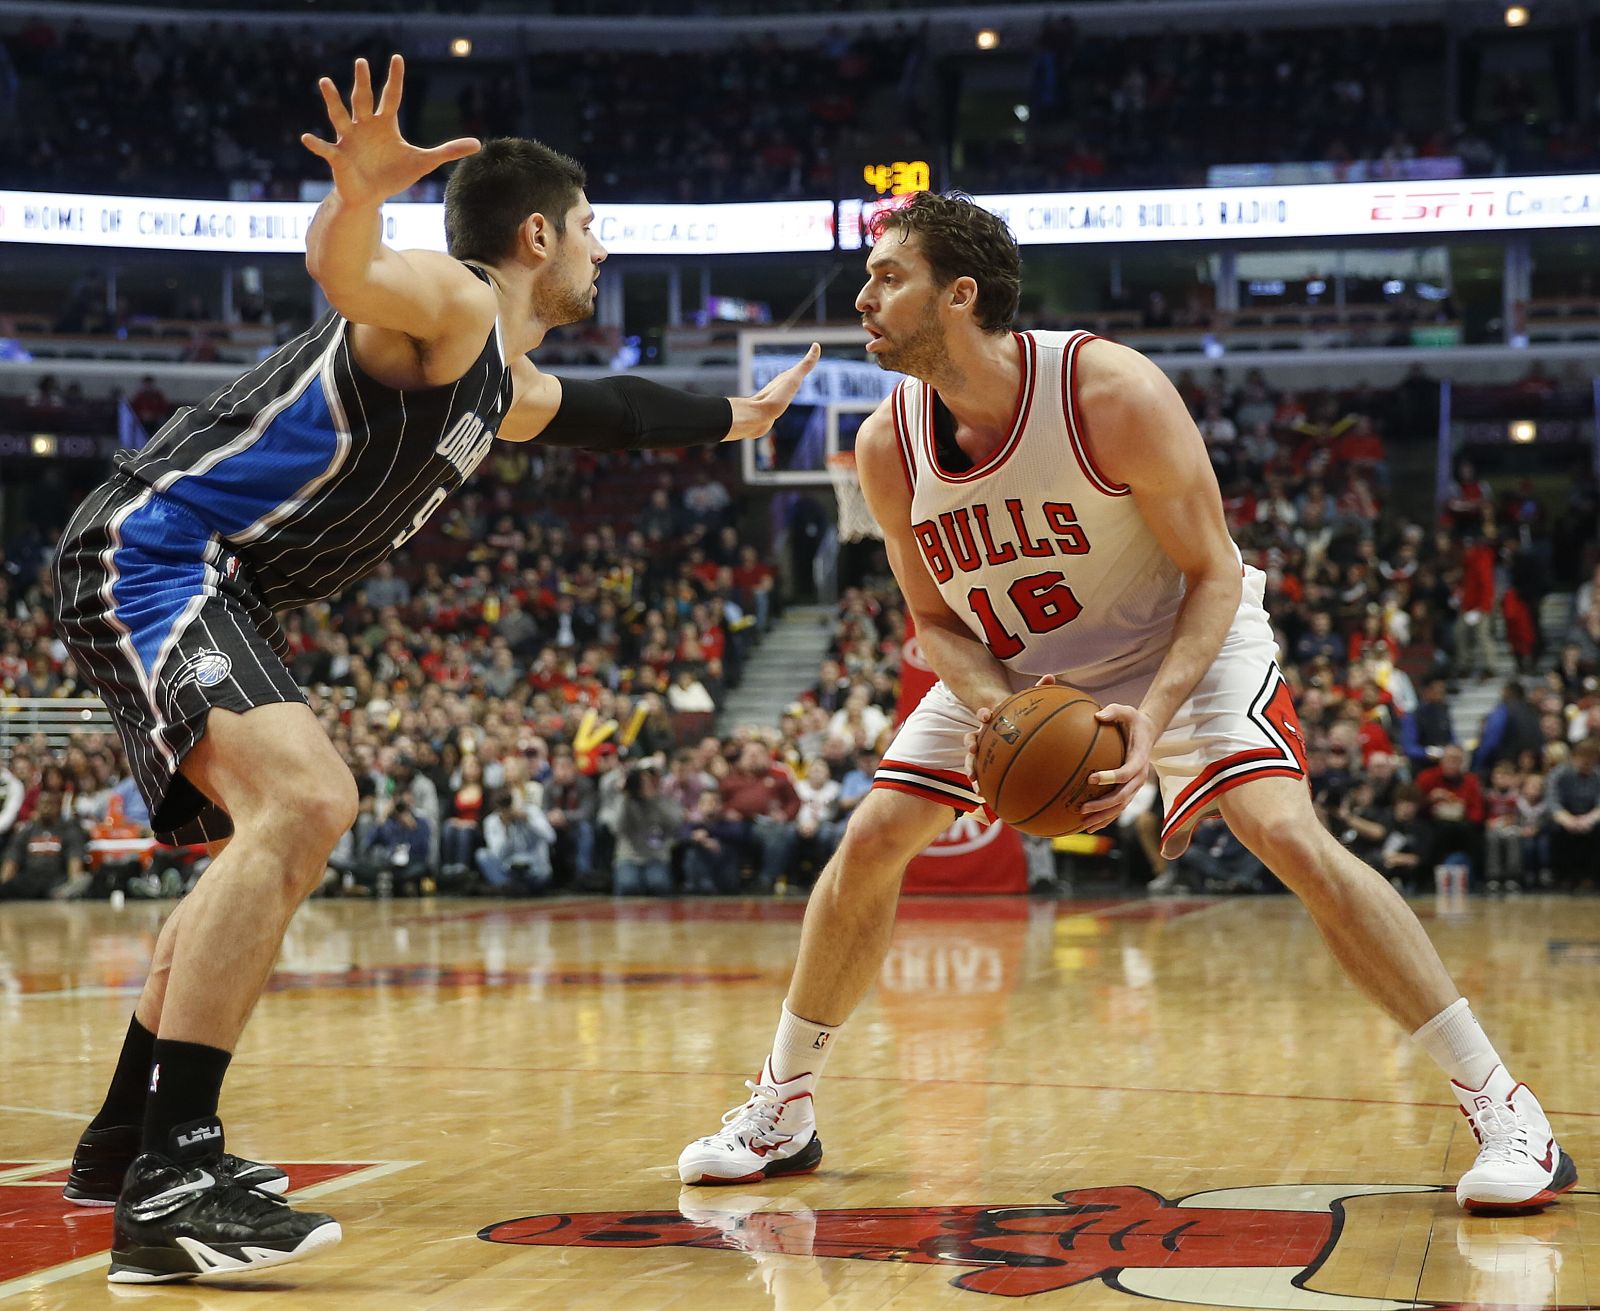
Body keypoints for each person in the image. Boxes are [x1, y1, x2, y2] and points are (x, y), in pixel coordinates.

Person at [51, 54, 817, 1284]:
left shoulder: (495, 379)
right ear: (534, 234)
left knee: (257, 839)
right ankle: (177, 1177)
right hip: (156, 550)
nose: (599, 253)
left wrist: (732, 421)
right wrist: (357, 196)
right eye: (587, 233)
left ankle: (123, 1140)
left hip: (215, 579)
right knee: (306, 801)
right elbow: (349, 274)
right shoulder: (452, 301)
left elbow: (606, 413)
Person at [677, 192, 1574, 1215]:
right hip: (1027, 668)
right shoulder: (888, 445)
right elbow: (935, 622)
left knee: (1282, 832)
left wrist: (1148, 722)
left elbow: (1213, 575)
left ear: (960, 295)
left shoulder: (1107, 392)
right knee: (875, 834)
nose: (863, 295)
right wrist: (1003, 709)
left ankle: (1504, 1108)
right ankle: (782, 1109)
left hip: (1178, 635)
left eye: (889, 277)